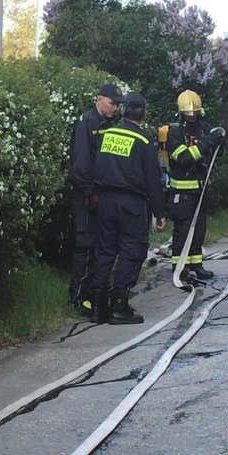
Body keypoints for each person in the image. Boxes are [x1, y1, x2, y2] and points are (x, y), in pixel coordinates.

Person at [90, 92, 168, 325]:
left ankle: (97, 306)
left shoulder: (107, 134)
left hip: (105, 201)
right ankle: (119, 306)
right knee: (129, 251)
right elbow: (153, 180)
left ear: (124, 111)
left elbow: (96, 166)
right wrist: (160, 212)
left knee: (104, 251)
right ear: (142, 114)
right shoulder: (144, 141)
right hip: (131, 203)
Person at [67, 83, 124, 318]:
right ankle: (78, 297)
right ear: (99, 99)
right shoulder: (87, 122)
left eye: (118, 105)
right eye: (112, 103)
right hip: (85, 194)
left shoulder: (108, 125)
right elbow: (81, 164)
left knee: (100, 244)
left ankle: (93, 293)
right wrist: (90, 193)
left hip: (100, 194)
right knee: (86, 244)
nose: (115, 108)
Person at [166, 89, 224, 282]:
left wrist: (219, 142)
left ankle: (196, 265)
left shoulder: (203, 128)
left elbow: (213, 154)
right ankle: (180, 267)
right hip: (181, 191)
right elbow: (183, 158)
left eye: (195, 112)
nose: (192, 116)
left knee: (199, 230)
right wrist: (208, 142)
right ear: (181, 112)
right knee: (182, 231)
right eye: (188, 113)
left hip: (200, 189)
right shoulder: (174, 132)